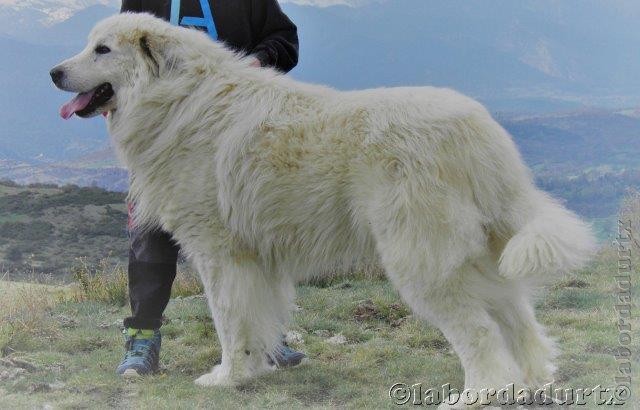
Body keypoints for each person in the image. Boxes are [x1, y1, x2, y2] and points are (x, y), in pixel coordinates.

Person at [117, 0, 303, 378]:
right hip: (159, 136)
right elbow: (119, 56)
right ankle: (142, 337)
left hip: (235, 136)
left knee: (247, 236)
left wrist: (255, 62)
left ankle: (264, 341)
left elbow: (285, 40)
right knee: (151, 235)